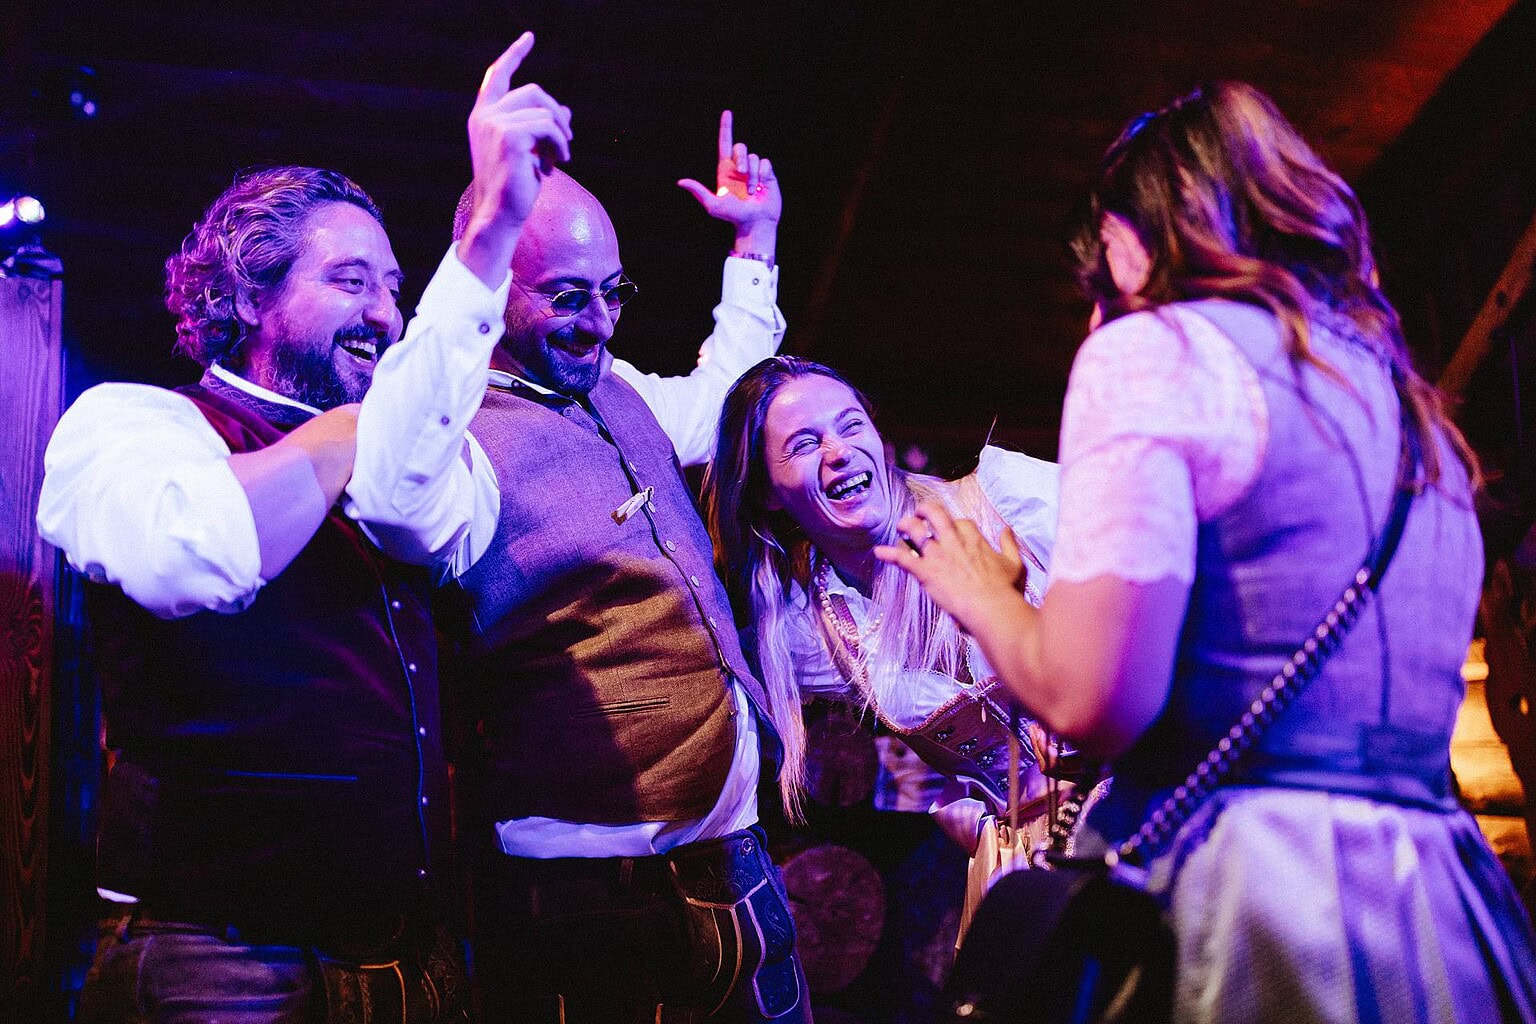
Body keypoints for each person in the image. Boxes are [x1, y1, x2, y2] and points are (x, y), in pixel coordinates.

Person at [880, 81, 1536, 1022]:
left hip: (1253, 898)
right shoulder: (1412, 412)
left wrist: (983, 592)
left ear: (1140, 236)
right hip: (1431, 892)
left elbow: (1092, 703)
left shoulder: (1157, 352)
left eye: (1101, 277)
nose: (1097, 314)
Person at [36, 33, 570, 1024]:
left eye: (396, 288)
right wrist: (344, 432)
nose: (386, 315)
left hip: (407, 959)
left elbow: (437, 527)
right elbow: (197, 556)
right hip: (222, 961)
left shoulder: (401, 460)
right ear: (248, 295)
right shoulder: (136, 423)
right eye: (351, 281)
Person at [356, 111, 809, 1022]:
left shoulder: (618, 385)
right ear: (495, 284)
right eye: (568, 296)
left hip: (735, 864)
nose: (598, 322)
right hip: (590, 901)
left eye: (613, 292)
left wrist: (753, 245)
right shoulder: (454, 441)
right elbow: (394, 505)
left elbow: (720, 399)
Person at [702, 355, 1089, 945]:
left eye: (850, 424)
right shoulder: (815, 629)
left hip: (1144, 817)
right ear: (767, 494)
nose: (838, 452)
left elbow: (1178, 587)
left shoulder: (1006, 501)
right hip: (1027, 871)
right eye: (804, 444)